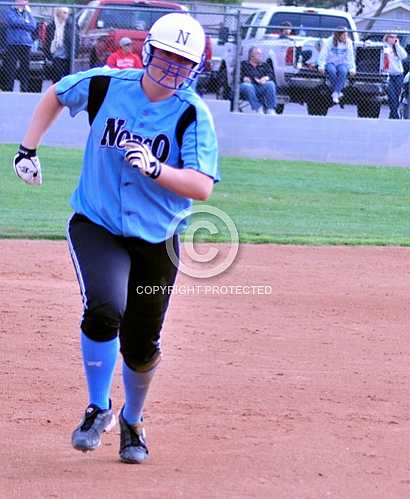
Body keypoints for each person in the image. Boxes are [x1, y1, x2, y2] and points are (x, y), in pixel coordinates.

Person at [12, 12, 219, 464]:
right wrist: (27, 149)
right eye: (165, 55)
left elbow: (202, 186)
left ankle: (133, 420)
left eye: (182, 61)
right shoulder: (106, 85)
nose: (171, 67)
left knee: (142, 344)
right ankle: (98, 408)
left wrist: (155, 168)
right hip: (98, 222)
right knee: (106, 307)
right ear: (148, 52)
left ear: (195, 68)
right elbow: (56, 93)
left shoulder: (192, 114)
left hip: (157, 237)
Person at [1, 0, 36, 92]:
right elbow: (13, 21)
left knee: (25, 68)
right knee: (10, 68)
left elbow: (33, 25)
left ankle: (24, 90)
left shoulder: (28, 13)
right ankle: (9, 90)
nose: (25, 1)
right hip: (13, 44)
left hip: (26, 44)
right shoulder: (9, 11)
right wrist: (25, 23)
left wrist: (24, 22)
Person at [318, 26, 356, 104]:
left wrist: (352, 68)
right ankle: (337, 92)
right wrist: (321, 66)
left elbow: (350, 56)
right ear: (339, 35)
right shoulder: (329, 41)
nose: (346, 37)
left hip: (342, 63)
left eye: (346, 35)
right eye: (344, 35)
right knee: (332, 71)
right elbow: (323, 54)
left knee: (343, 71)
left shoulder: (348, 42)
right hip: (330, 62)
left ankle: (335, 93)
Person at [44, 7, 77, 83]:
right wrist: (48, 55)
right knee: (56, 77)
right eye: (64, 12)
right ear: (59, 13)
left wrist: (74, 52)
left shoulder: (71, 25)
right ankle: (56, 93)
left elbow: (76, 39)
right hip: (56, 55)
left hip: (68, 55)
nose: (67, 15)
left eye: (67, 13)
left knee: (68, 77)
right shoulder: (51, 26)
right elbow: (47, 41)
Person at [240, 46, 277, 114]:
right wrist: (243, 78)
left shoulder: (265, 65)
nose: (260, 55)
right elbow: (235, 74)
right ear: (252, 56)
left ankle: (270, 109)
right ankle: (258, 108)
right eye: (258, 54)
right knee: (248, 86)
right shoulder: (243, 64)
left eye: (261, 54)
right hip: (246, 87)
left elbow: (271, 74)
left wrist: (265, 78)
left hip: (259, 86)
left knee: (270, 84)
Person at [383, 32, 407, 119]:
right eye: (391, 37)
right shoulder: (384, 47)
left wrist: (397, 45)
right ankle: (395, 115)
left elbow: (404, 56)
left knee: (397, 96)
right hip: (388, 75)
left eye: (395, 37)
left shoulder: (397, 48)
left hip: (398, 75)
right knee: (391, 96)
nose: (393, 39)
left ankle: (392, 114)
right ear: (387, 38)